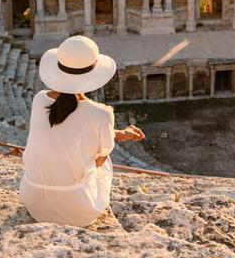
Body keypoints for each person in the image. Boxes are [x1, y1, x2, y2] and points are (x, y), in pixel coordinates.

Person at [19, 35, 145, 227]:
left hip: (33, 202)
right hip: (77, 211)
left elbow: (67, 131)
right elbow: (97, 159)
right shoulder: (101, 113)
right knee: (105, 157)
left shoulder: (39, 100)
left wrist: (120, 133)